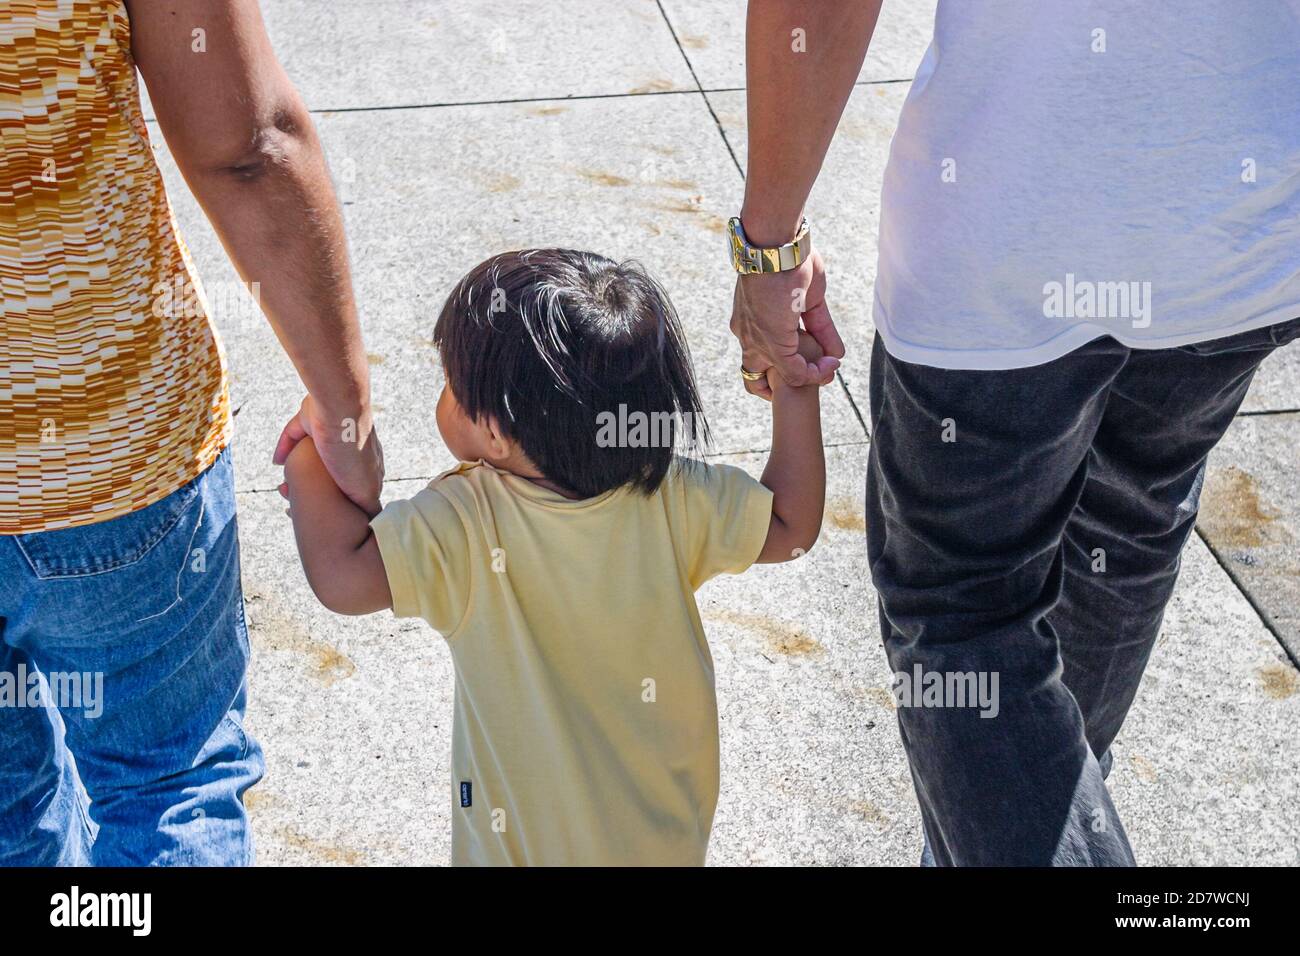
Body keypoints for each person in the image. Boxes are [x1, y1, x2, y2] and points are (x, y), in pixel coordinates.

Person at [730, 0, 1300, 864]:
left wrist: (768, 248)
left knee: (965, 612)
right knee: (1128, 524)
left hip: (1011, 237)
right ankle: (1045, 810)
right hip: (1242, 231)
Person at [280, 249, 831, 865]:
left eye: (451, 384)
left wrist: (312, 452)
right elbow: (791, 526)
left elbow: (343, 575)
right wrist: (795, 385)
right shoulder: (672, 494)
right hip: (662, 839)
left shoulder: (465, 523)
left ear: (494, 433)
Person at [0, 0, 380, 865]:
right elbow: (248, 146)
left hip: (104, 462)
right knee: (166, 784)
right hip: (104, 451)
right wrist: (344, 407)